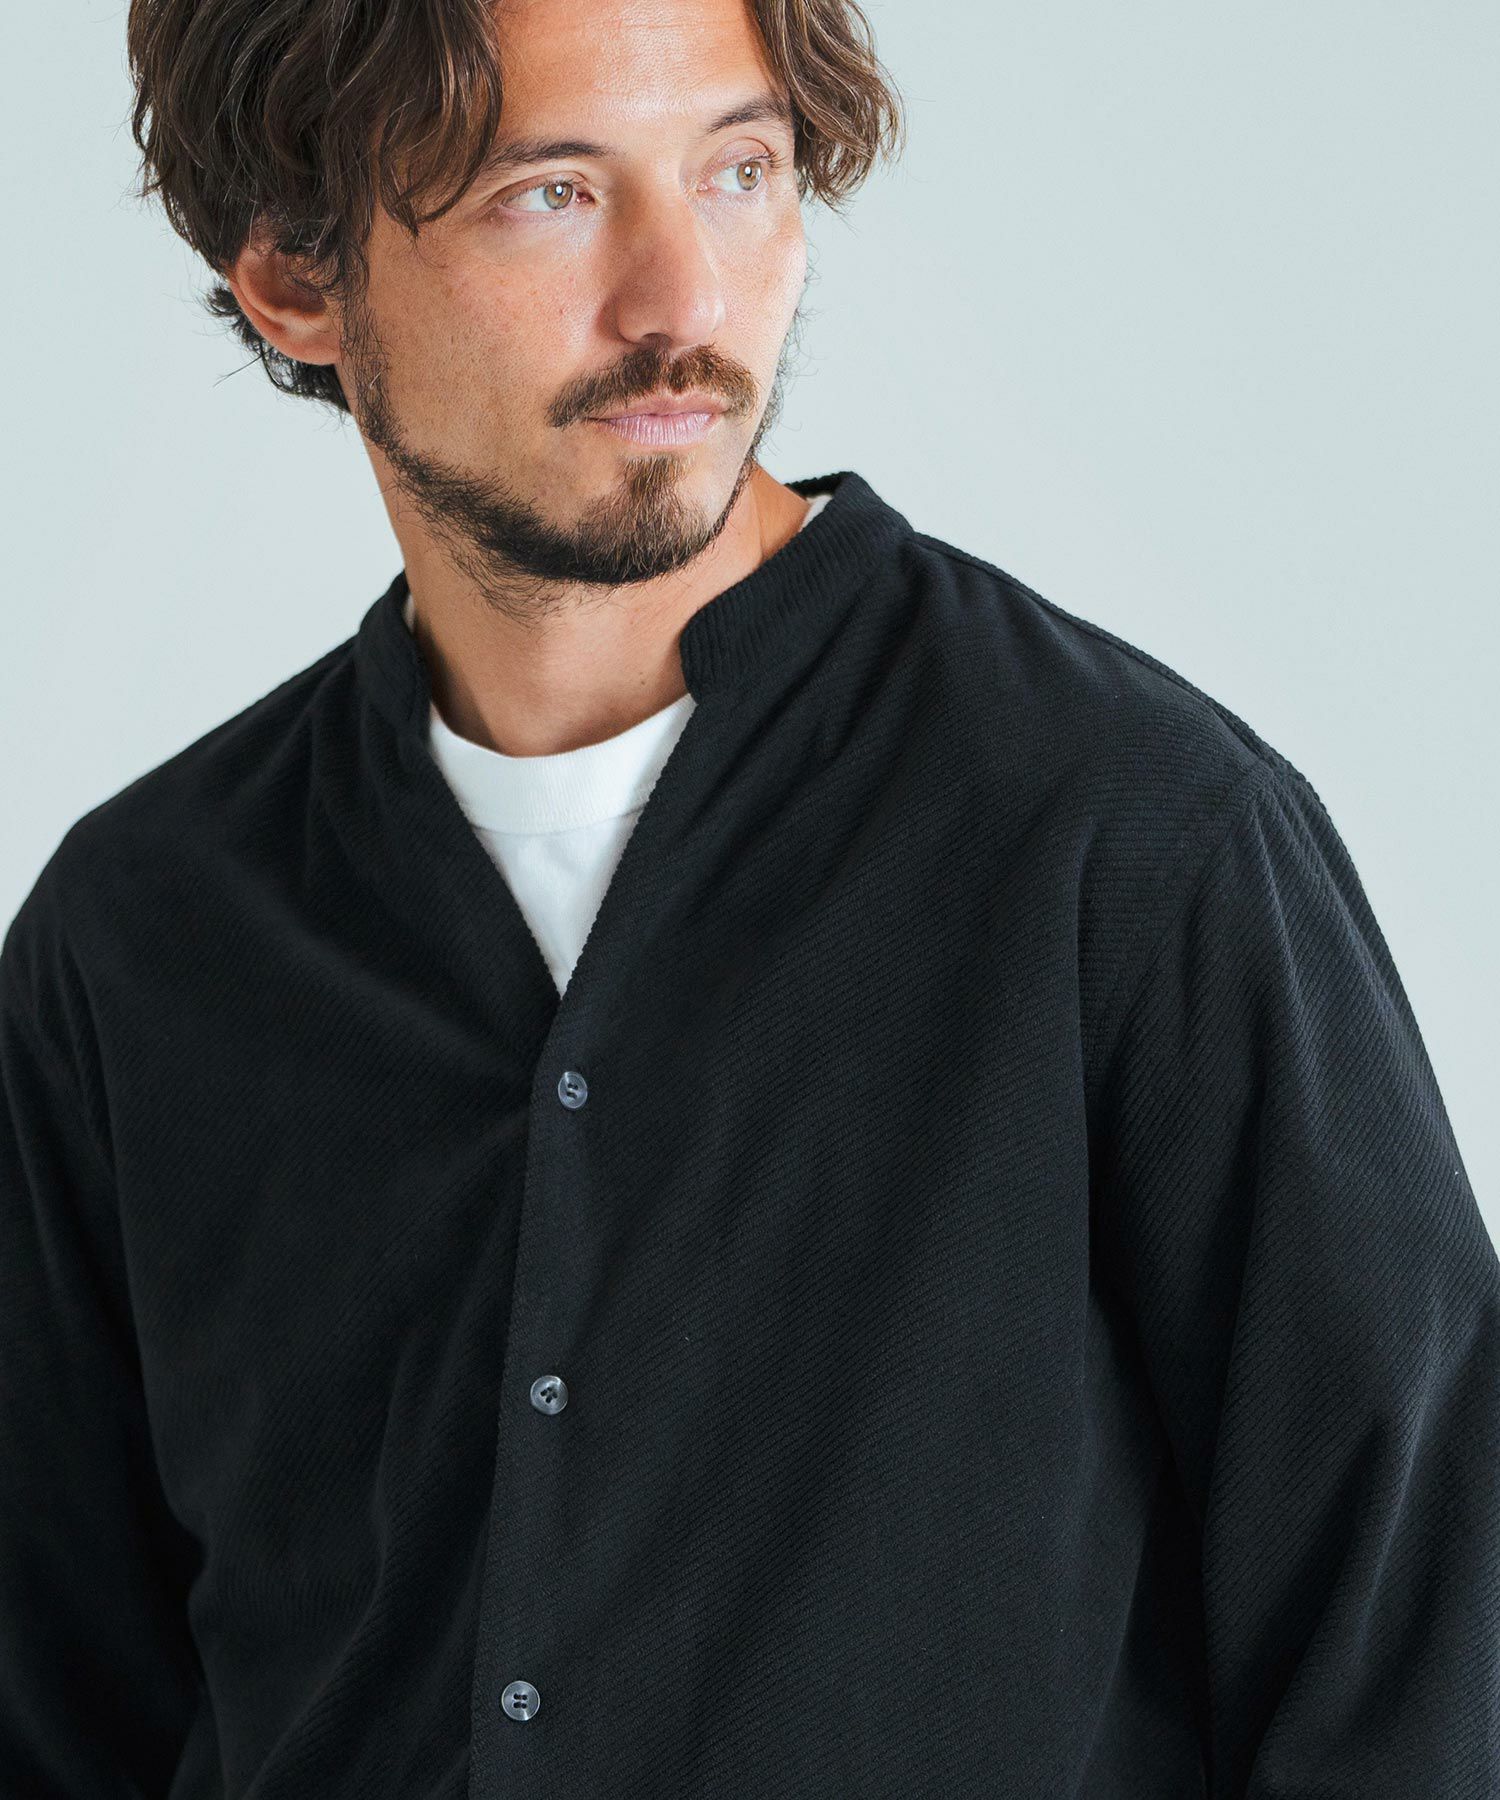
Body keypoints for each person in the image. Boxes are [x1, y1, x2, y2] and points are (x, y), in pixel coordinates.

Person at [3, 0, 1496, 1793]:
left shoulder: (1128, 839)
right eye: (551, 193)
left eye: (739, 170)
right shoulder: (140, 938)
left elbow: (1424, 1659)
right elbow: (60, 1704)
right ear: (295, 280)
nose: (684, 300)